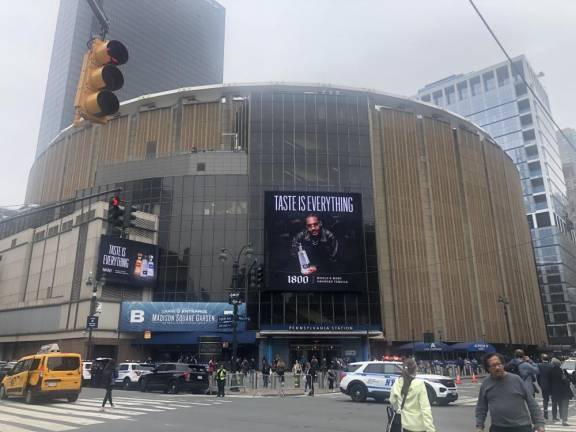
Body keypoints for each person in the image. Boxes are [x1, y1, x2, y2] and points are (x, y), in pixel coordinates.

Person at [475, 352, 544, 432]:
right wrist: (479, 426)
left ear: (503, 364)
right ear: (488, 369)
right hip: (498, 428)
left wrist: (539, 424)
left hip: (522, 427)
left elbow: (532, 403)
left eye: (499, 364)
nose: (497, 367)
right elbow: (481, 407)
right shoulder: (486, 383)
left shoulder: (516, 379)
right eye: (493, 365)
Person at [389, 358, 436, 432]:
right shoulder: (419, 384)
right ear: (415, 370)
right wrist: (430, 429)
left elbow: (392, 401)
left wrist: (399, 410)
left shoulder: (397, 382)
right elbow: (425, 409)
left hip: (404, 424)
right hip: (419, 427)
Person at [549, 357, 573, 426]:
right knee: (564, 406)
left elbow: (549, 382)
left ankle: (554, 418)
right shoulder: (562, 371)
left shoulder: (550, 371)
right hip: (563, 391)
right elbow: (566, 380)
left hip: (554, 391)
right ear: (559, 364)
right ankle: (564, 420)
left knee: (554, 404)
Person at [537, 354, 553, 419]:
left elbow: (537, 376)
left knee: (545, 399)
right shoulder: (551, 366)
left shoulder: (539, 366)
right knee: (553, 398)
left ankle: (545, 411)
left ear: (542, 359)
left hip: (543, 384)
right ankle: (554, 415)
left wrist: (540, 384)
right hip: (551, 384)